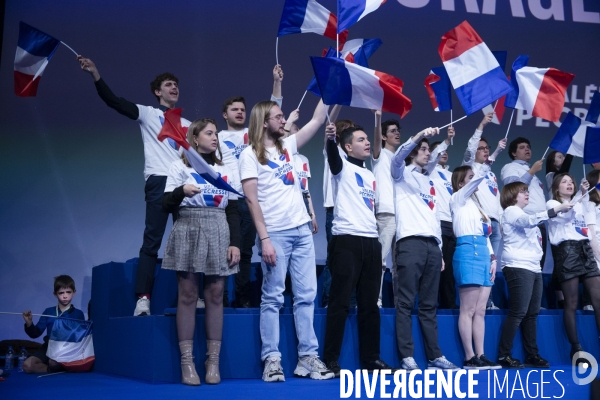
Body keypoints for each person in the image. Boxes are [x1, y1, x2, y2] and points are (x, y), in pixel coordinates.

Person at [77, 55, 190, 316]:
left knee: (188, 242)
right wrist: (95, 73)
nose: (174, 88)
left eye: (176, 85)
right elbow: (114, 102)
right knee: (152, 242)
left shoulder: (187, 124)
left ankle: (192, 296)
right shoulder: (148, 114)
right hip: (159, 181)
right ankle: (143, 298)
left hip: (184, 185)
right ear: (157, 91)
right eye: (169, 84)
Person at [240, 99, 334, 382]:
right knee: (273, 297)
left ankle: (307, 358)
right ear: (264, 121)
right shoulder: (250, 155)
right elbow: (251, 200)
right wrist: (264, 239)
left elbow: (317, 121)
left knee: (307, 296)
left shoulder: (288, 146)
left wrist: (330, 84)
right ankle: (272, 359)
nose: (284, 121)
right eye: (278, 117)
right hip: (276, 234)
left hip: (302, 231)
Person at [161, 118, 240, 385]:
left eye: (216, 133)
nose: (215, 137)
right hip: (189, 226)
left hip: (219, 228)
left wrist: (235, 242)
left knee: (216, 295)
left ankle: (212, 362)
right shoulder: (177, 166)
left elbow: (233, 210)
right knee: (188, 295)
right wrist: (181, 191)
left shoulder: (225, 170)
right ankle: (187, 364)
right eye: (209, 133)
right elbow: (164, 204)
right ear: (194, 139)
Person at [323, 125, 396, 377]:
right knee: (340, 303)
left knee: (369, 305)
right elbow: (331, 155)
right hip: (346, 241)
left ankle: (371, 358)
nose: (367, 143)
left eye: (367, 139)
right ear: (347, 146)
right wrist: (330, 139)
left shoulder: (371, 175)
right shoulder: (341, 167)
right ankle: (330, 359)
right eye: (361, 139)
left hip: (371, 242)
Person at [391, 127, 459, 371]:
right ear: (412, 153)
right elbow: (398, 155)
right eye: (423, 149)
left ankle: (434, 356)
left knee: (430, 305)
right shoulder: (401, 173)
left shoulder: (428, 178)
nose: (427, 153)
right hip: (410, 242)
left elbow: (433, 217)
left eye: (429, 149)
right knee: (406, 302)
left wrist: (439, 248)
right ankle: (407, 356)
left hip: (432, 245)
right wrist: (418, 135)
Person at [218, 65, 285, 308]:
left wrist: (276, 82)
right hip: (227, 201)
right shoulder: (218, 138)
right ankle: (220, 298)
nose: (240, 112)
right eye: (234, 109)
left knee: (245, 252)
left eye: (243, 110)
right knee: (223, 251)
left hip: (249, 201)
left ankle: (242, 297)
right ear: (224, 115)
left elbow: (271, 110)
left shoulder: (253, 135)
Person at [496, 182, 572, 368]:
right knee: (519, 312)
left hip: (533, 267)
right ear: (512, 195)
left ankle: (532, 354)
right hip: (518, 265)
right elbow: (527, 222)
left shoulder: (525, 214)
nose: (527, 194)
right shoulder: (511, 211)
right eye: (522, 191)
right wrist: (556, 209)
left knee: (531, 314)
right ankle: (504, 355)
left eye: (527, 191)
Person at [450, 163, 501, 369]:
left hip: (483, 254)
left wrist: (493, 259)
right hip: (467, 251)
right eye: (470, 177)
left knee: (480, 310)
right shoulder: (458, 199)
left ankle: (481, 354)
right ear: (461, 183)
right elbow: (477, 180)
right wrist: (486, 165)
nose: (475, 179)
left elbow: (487, 235)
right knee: (468, 309)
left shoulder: (479, 207)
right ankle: (469, 357)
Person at [546, 173, 600, 364]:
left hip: (584, 248)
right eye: (564, 182)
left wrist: (583, 197)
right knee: (571, 302)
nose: (569, 184)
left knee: (597, 297)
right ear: (556, 186)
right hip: (567, 251)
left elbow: (588, 224)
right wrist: (580, 194)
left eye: (571, 181)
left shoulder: (582, 201)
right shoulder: (552, 204)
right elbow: (565, 213)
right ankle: (576, 350)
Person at [463, 113, 507, 309]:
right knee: (482, 263)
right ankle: (483, 302)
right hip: (482, 222)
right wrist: (481, 125)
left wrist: (502, 222)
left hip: (495, 223)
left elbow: (497, 200)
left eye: (486, 148)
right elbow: (470, 147)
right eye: (481, 149)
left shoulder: (490, 172)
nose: (484, 151)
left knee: (492, 265)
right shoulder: (469, 169)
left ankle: (489, 301)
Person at [321, 111, 353, 308]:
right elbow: (327, 131)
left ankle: (349, 300)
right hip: (335, 211)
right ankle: (327, 300)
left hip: (352, 212)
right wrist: (339, 102)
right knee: (334, 257)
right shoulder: (333, 151)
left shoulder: (354, 158)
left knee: (351, 260)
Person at [501, 138, 547, 272]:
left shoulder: (529, 169)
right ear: (514, 153)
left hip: (539, 222)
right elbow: (512, 191)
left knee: (538, 266)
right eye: (522, 147)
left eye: (528, 146)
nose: (527, 149)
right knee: (525, 266)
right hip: (524, 220)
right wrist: (532, 172)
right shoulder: (510, 167)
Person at [22, 275, 86, 373]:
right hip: (48, 347)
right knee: (27, 365)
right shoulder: (49, 311)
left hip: (67, 348)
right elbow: (35, 334)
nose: (65, 296)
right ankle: (52, 370)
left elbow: (81, 337)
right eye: (61, 293)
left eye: (68, 292)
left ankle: (56, 367)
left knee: (53, 362)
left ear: (74, 292)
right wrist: (29, 323)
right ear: (55, 294)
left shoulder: (78, 314)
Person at [372, 116, 400, 308]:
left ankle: (400, 302)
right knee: (380, 260)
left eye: (398, 130)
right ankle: (376, 299)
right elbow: (374, 141)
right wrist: (378, 116)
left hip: (403, 216)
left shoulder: (401, 160)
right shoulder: (379, 154)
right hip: (386, 213)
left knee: (400, 263)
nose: (397, 133)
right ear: (383, 136)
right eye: (392, 131)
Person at [429, 128, 456, 309]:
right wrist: (447, 140)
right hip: (438, 222)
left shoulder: (452, 174)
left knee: (451, 269)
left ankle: (448, 303)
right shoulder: (429, 169)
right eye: (439, 150)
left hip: (454, 224)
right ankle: (433, 303)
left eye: (445, 150)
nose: (443, 153)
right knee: (438, 266)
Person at [545, 151, 573, 308]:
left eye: (563, 156)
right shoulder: (551, 176)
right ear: (551, 160)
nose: (562, 159)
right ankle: (560, 298)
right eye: (559, 157)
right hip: (556, 224)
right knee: (559, 263)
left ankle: (567, 298)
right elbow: (565, 168)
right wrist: (571, 150)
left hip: (567, 225)